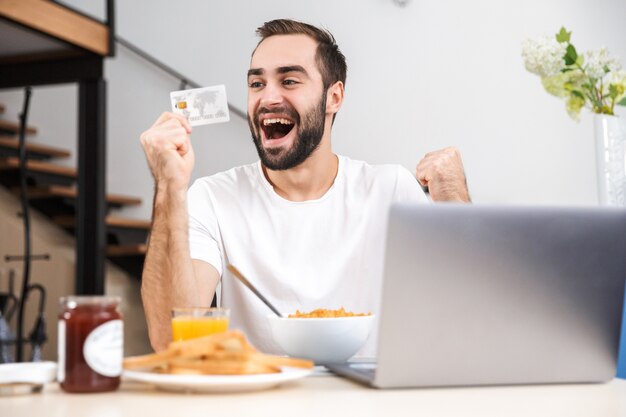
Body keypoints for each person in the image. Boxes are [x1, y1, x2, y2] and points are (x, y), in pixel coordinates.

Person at [139, 19, 470, 354]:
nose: (267, 97)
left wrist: (456, 205)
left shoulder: (390, 190)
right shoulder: (212, 198)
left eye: (289, 80)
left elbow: (465, 319)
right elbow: (170, 339)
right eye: (257, 83)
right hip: (261, 403)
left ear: (334, 97)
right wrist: (168, 186)